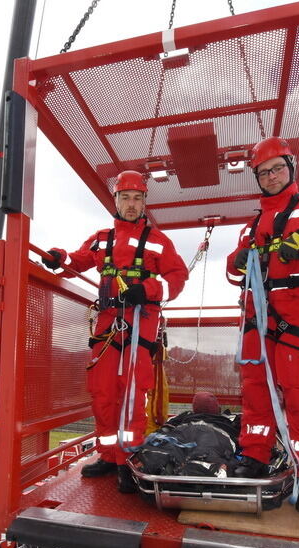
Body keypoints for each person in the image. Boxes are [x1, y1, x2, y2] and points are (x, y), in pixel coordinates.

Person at [43, 170, 188, 491]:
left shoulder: (159, 242)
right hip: (108, 325)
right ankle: (109, 455)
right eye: (126, 198)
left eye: (137, 198)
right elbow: (78, 260)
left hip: (140, 324)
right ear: (116, 201)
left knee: (132, 393)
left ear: (145, 202)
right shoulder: (101, 239)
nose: (132, 204)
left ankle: (129, 461)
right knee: (103, 392)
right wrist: (58, 257)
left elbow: (177, 278)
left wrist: (148, 289)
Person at [226, 136, 299, 515]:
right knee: (255, 391)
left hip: (297, 309)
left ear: (290, 168)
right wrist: (240, 258)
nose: (272, 177)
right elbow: (233, 267)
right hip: (257, 313)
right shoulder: (254, 222)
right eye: (264, 172)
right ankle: (254, 457)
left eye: (277, 169)